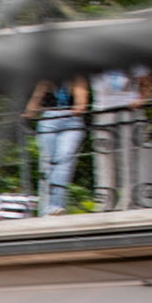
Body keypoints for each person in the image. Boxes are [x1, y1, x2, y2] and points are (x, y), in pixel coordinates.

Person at [24, 76, 90, 216]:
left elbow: (82, 96)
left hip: (72, 121)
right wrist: (28, 114)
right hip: (49, 120)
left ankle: (55, 206)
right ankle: (49, 208)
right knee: (49, 164)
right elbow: (37, 98)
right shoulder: (47, 78)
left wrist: (81, 106)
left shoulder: (76, 77)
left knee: (64, 161)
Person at [91, 65, 150, 211]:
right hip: (103, 111)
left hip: (129, 111)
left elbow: (147, 81)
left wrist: (141, 100)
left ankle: (130, 202)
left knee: (129, 157)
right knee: (104, 157)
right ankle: (105, 202)